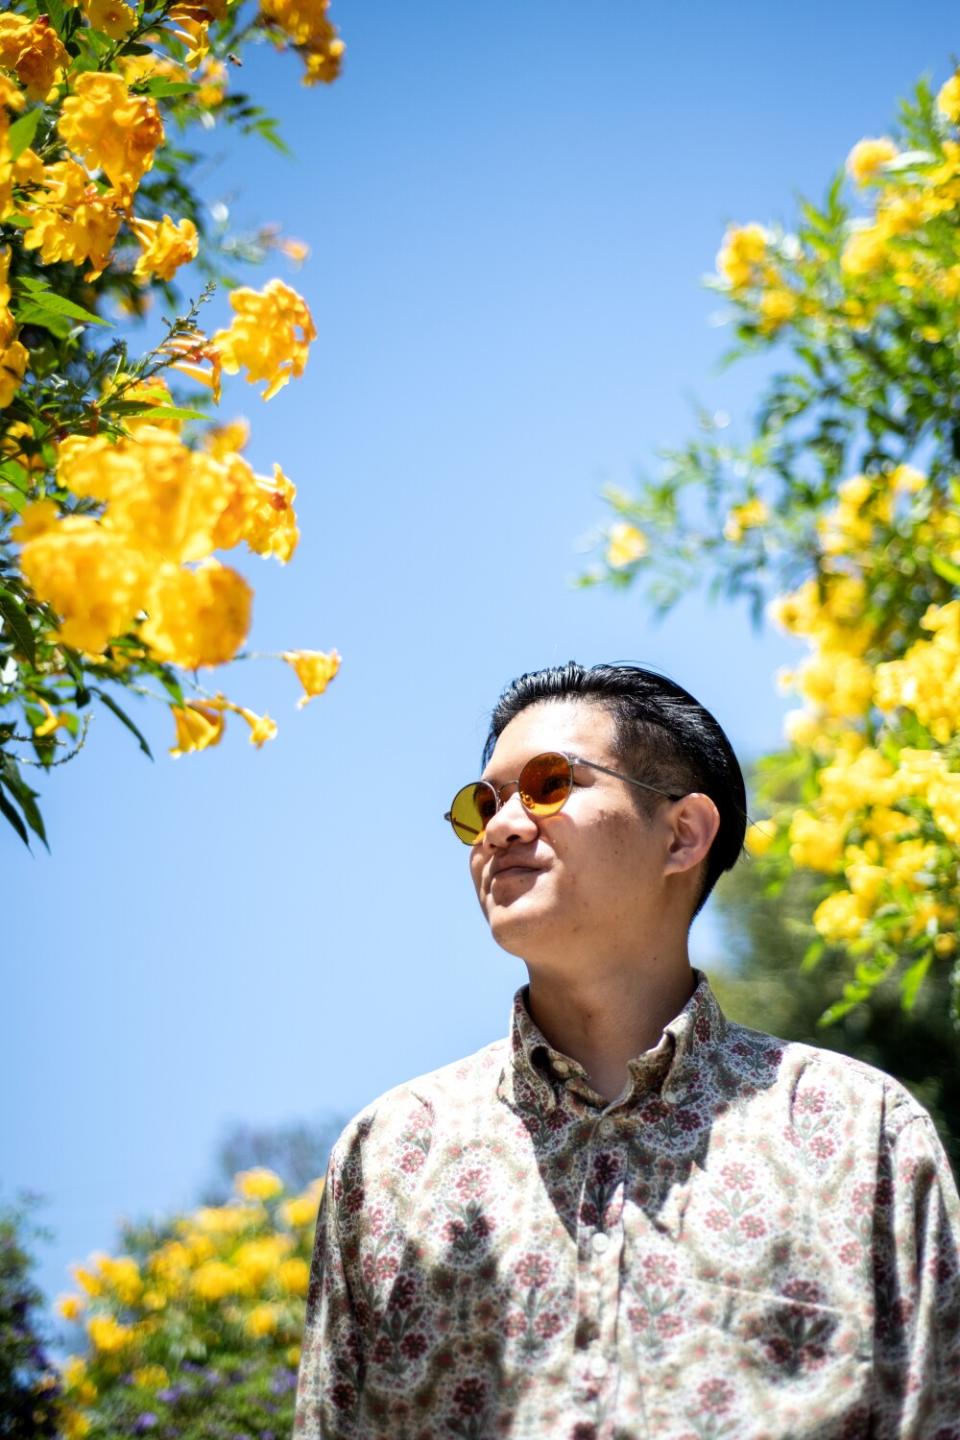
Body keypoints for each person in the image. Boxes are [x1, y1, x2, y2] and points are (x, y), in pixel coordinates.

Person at [294, 661, 960, 1440]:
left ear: (682, 835)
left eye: (549, 785)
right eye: (484, 804)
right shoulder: (393, 1153)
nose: (503, 827)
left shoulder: (859, 1131)